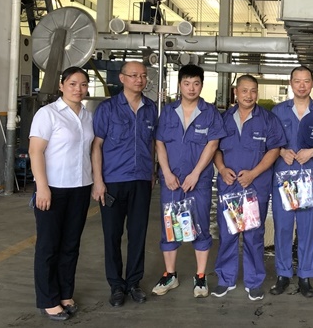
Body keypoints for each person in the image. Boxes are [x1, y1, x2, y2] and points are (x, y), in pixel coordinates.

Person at [152, 64, 226, 298]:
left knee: (201, 226)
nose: (191, 88)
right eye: (187, 83)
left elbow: (212, 145)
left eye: (196, 83)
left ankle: (200, 277)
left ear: (202, 85)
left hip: (199, 181)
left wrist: (195, 173)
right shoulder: (168, 111)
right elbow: (160, 143)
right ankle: (170, 275)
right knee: (170, 226)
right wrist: (166, 172)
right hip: (171, 181)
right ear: (180, 85)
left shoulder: (210, 113)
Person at [212, 75, 286, 301]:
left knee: (254, 235)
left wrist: (254, 173)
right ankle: (226, 279)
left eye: (253, 91)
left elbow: (274, 150)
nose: (249, 95)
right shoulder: (223, 119)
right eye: (244, 90)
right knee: (228, 233)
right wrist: (222, 168)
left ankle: (254, 281)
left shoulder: (267, 119)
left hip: (255, 187)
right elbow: (215, 148)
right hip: (230, 186)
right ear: (236, 92)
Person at [30, 67, 94, 321]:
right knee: (49, 245)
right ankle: (48, 300)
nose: (78, 89)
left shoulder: (88, 116)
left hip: (80, 187)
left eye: (83, 84)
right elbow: (35, 151)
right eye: (73, 83)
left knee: (70, 245)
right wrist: (42, 187)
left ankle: (65, 294)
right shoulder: (48, 114)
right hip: (53, 188)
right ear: (61, 86)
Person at [92, 61, 157, 307]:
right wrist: (98, 181)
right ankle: (116, 285)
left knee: (138, 234)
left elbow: (152, 143)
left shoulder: (150, 108)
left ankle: (133, 283)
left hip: (141, 180)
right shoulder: (107, 108)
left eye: (143, 76)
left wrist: (152, 171)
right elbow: (97, 146)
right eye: (133, 75)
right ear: (122, 78)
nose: (139, 80)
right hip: (113, 181)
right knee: (112, 234)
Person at [270, 66, 313, 298]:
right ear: (291, 83)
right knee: (283, 228)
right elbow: (269, 140)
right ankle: (283, 274)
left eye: (306, 81)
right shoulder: (278, 112)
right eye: (297, 81)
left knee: (308, 229)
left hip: (310, 179)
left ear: (312, 83)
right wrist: (281, 151)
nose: (301, 85)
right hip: (284, 180)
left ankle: (305, 276)